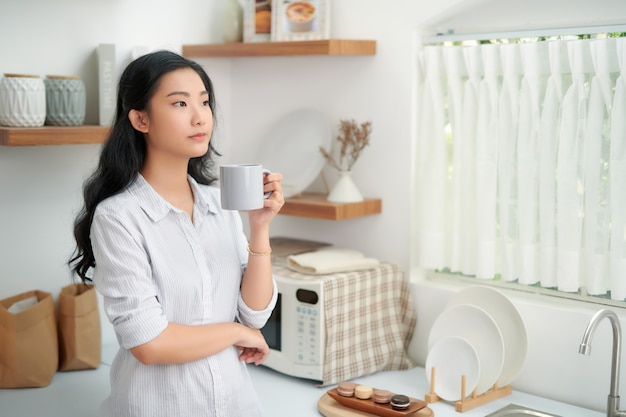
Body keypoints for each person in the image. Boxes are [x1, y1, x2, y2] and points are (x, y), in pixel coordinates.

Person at [69, 50, 284, 417]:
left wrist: (260, 226)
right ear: (140, 119)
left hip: (237, 405)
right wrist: (235, 334)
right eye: (180, 103)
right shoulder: (119, 217)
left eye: (204, 102)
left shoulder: (220, 205)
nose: (200, 116)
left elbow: (254, 317)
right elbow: (149, 344)